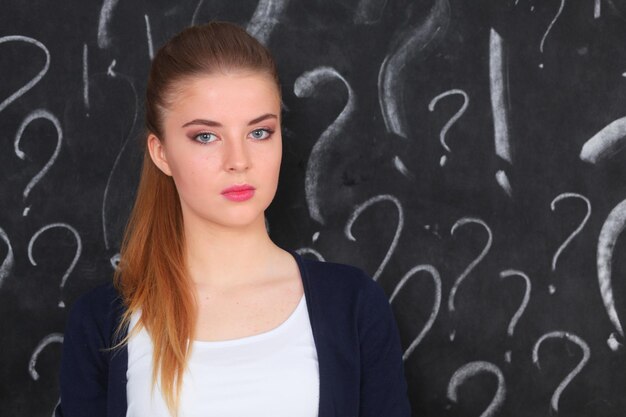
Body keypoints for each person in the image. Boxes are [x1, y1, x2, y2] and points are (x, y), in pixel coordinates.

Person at [55, 21, 411, 417]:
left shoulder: (354, 305)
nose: (238, 161)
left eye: (259, 132)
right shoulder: (103, 323)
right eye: (206, 136)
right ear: (161, 153)